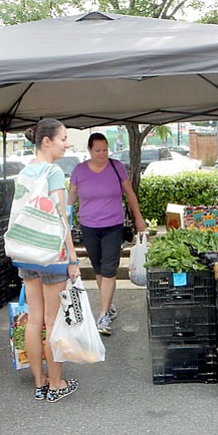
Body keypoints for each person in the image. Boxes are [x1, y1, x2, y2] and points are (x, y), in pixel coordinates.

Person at [14, 118, 80, 403]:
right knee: (54, 321)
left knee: (34, 320)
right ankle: (56, 384)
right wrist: (73, 255)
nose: (67, 144)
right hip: (52, 254)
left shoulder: (24, 171)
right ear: (46, 141)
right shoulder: (52, 172)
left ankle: (40, 381)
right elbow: (61, 217)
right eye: (63, 138)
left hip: (27, 251)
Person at [68, 133, 146, 336]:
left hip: (113, 225)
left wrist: (139, 218)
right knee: (99, 269)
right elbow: (70, 199)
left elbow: (130, 194)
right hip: (88, 226)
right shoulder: (79, 171)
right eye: (97, 150)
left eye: (105, 150)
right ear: (89, 150)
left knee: (110, 268)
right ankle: (108, 304)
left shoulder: (116, 167)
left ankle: (103, 315)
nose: (102, 154)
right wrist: (62, 222)